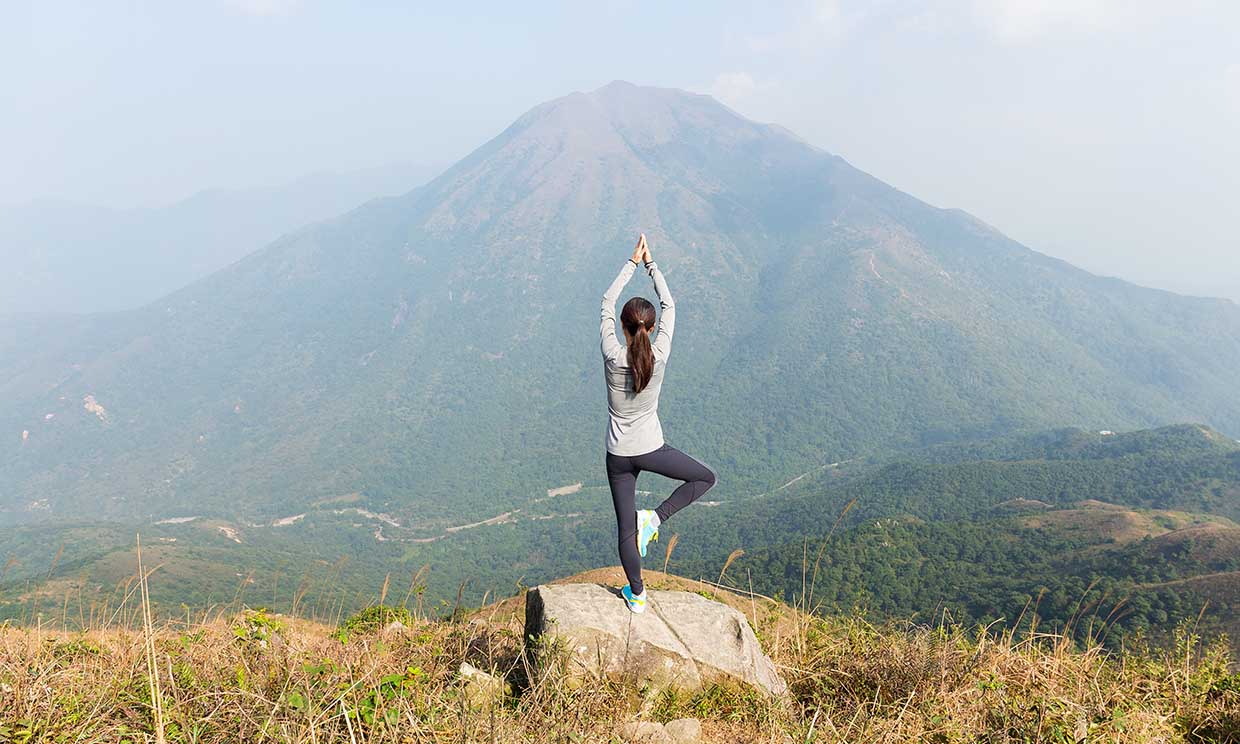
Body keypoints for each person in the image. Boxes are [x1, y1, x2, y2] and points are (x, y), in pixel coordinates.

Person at [599, 233, 717, 614]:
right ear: (650, 328)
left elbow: (605, 302)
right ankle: (657, 518)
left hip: (618, 454)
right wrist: (651, 265)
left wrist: (630, 263)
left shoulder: (611, 354)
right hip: (651, 449)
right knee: (705, 477)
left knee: (624, 530)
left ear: (622, 326)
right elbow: (670, 305)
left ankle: (637, 594)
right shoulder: (660, 356)